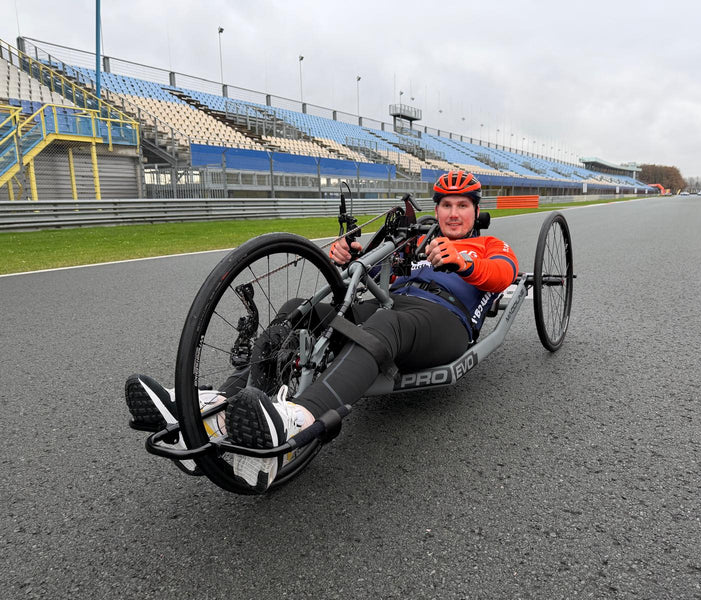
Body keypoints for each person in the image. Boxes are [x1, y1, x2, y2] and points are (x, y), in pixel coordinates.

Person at [125, 170, 518, 488]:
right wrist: (350, 256)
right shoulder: (417, 245)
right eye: (446, 205)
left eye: (462, 206)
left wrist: (464, 263)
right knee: (302, 310)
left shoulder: (489, 246)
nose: (453, 213)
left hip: (444, 321)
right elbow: (377, 275)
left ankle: (299, 416)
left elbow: (504, 274)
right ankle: (216, 406)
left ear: (476, 212)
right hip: (393, 304)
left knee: (389, 321)